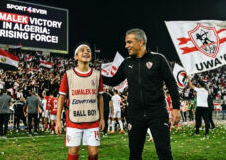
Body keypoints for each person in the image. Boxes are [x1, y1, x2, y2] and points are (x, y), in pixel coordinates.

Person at [102, 29, 181, 160]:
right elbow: (113, 81)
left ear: (141, 42)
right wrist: (94, 74)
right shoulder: (127, 63)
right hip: (135, 114)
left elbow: (172, 84)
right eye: (126, 43)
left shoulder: (158, 59)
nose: (126, 46)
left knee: (164, 151)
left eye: (129, 42)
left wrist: (176, 108)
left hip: (157, 112)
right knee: (134, 153)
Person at [55, 43, 105, 160]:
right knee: (74, 150)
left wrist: (102, 118)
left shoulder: (97, 75)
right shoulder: (68, 75)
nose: (86, 52)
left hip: (92, 120)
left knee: (93, 153)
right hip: (74, 120)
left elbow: (100, 98)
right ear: (75, 56)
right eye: (82, 50)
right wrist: (58, 120)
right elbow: (61, 98)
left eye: (88, 50)